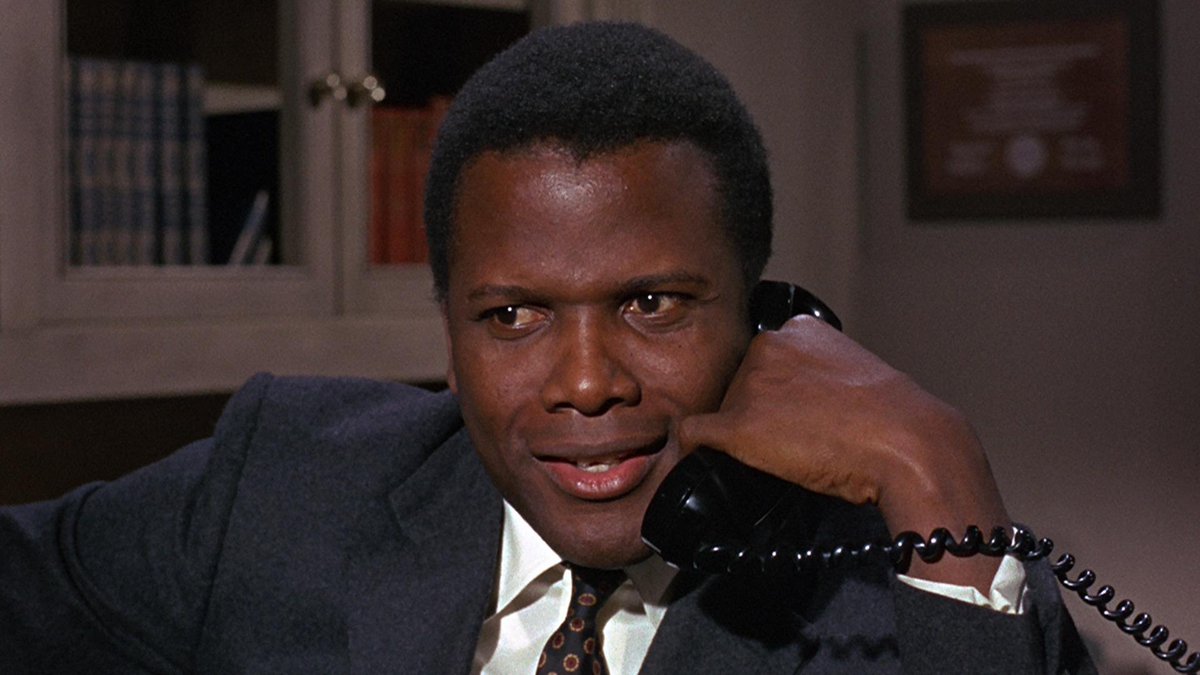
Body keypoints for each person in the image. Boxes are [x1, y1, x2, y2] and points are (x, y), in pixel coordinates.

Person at [1, 22, 1092, 673]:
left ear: (764, 322)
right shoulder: (279, 487)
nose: (584, 383)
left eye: (653, 303)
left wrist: (938, 470)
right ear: (449, 328)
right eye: (513, 315)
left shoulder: (903, 592)